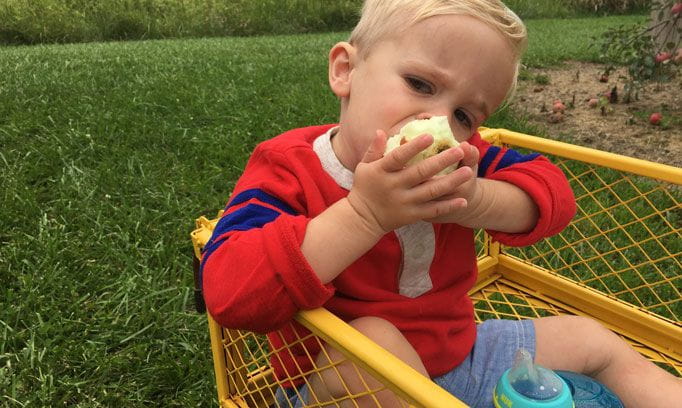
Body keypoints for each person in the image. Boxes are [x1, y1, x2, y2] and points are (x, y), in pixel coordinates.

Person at [201, 0, 682, 407]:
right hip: (341, 383)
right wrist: (365, 214)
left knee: (592, 339)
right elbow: (230, 292)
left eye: (464, 114)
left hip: (458, 353)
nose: (441, 122)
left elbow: (552, 195)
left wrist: (474, 201)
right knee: (372, 337)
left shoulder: (464, 163)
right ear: (345, 71)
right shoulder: (288, 168)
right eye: (421, 84)